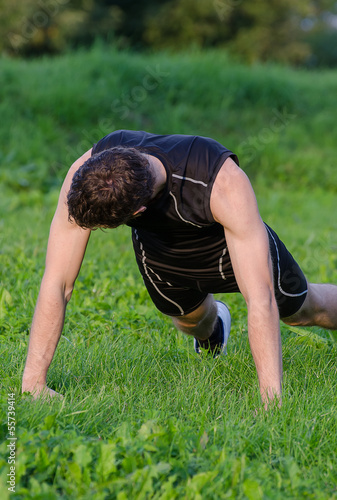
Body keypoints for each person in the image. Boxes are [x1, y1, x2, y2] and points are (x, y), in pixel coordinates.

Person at [21, 130, 337, 407]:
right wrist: (33, 384)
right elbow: (58, 281)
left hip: (226, 248)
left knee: (302, 310)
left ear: (138, 211)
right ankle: (216, 331)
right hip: (161, 254)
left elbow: (260, 297)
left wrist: (272, 403)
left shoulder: (218, 179)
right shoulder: (89, 172)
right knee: (192, 321)